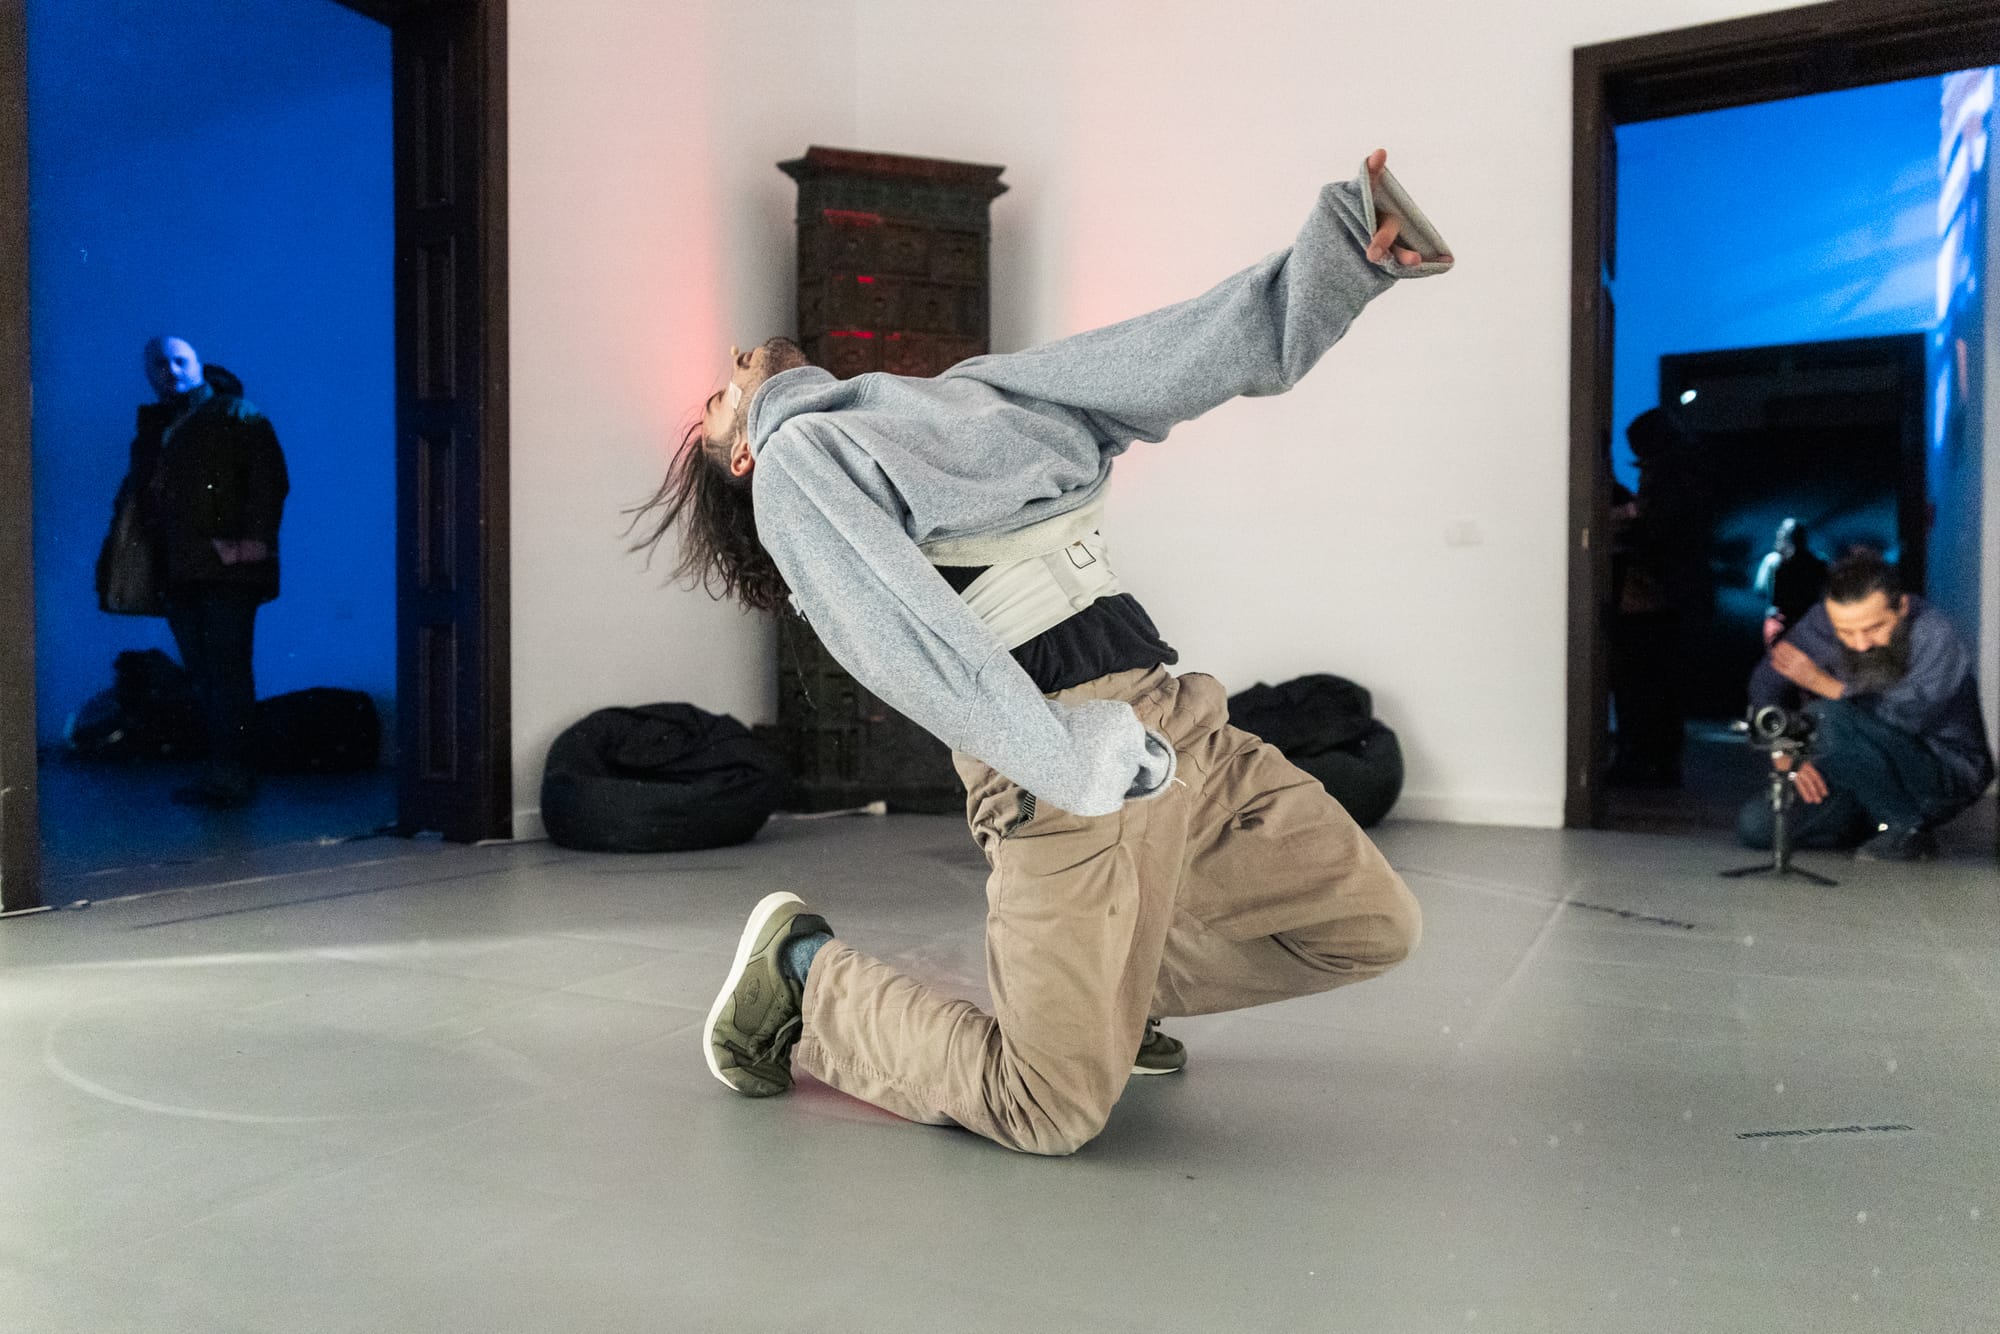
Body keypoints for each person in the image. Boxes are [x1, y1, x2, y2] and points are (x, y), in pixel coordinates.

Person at [634, 150, 1446, 1155]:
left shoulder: (963, 394)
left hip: (1180, 727)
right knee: (1048, 1109)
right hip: (1059, 771)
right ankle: (802, 984)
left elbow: (1168, 356)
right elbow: (907, 649)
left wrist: (1342, 259)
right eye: (718, 401)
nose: (730, 362)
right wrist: (1066, 755)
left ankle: (1112, 998)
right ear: (744, 454)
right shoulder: (801, 462)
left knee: (1369, 925)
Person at [1737, 553, 1994, 861]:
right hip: (1857, 769)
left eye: (1874, 628)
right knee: (1757, 827)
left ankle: (1907, 829)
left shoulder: (1934, 635)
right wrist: (1783, 750)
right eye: (1845, 632)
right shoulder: (1821, 622)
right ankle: (1874, 822)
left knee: (1823, 717)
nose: (1860, 643)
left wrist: (1822, 684)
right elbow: (1764, 682)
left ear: (1901, 607)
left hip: (1943, 772)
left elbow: (1903, 719)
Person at [125, 336, 288, 808]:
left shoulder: (235, 413)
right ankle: (224, 772)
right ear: (149, 372)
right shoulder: (160, 425)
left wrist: (248, 546)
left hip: (226, 568)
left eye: (181, 361)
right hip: (181, 568)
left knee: (226, 672)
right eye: (161, 364)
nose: (171, 371)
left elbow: (269, 481)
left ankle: (233, 774)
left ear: (199, 364)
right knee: (206, 674)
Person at [1752, 516, 1827, 647]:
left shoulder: (1772, 562)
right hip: (1805, 622)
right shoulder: (1819, 561)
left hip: (1784, 623)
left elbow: (1760, 590)